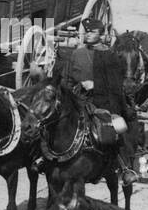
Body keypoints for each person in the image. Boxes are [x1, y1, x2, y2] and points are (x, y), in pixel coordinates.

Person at [53, 17, 139, 184]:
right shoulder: (77, 54)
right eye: (87, 32)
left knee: (118, 126)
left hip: (103, 102)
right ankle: (48, 158)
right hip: (78, 101)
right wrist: (72, 90)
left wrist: (94, 85)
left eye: (92, 32)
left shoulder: (110, 56)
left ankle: (124, 167)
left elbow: (116, 86)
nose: (88, 34)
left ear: (100, 34)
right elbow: (66, 80)